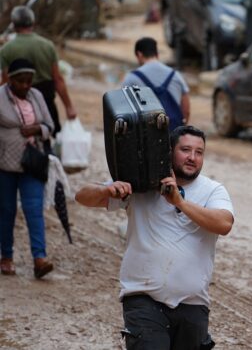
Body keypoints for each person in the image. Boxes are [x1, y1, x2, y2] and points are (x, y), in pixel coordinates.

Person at [75, 125, 234, 349]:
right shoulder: (141, 183)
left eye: (199, 152)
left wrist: (180, 202)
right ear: (168, 151)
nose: (192, 158)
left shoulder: (213, 190)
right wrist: (107, 191)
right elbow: (82, 197)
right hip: (143, 299)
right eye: (186, 150)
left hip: (194, 303)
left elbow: (224, 224)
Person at [0, 58, 55, 278]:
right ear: (10, 79)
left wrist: (36, 129)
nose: (25, 85)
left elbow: (50, 126)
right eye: (20, 81)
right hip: (4, 164)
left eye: (29, 81)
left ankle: (39, 259)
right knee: (6, 211)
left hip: (32, 162)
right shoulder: (0, 97)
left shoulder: (37, 96)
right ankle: (6, 257)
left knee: (34, 210)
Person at [0, 5, 77, 135]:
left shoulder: (7, 50)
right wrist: (69, 107)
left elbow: (6, 82)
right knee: (47, 139)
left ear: (13, 25)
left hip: (19, 109)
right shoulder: (47, 46)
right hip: (46, 104)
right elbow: (58, 79)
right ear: (33, 23)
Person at [122, 36, 190, 131]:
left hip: (147, 135)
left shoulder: (131, 78)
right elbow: (186, 110)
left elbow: (126, 112)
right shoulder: (175, 75)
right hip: (174, 131)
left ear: (139, 54)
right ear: (157, 54)